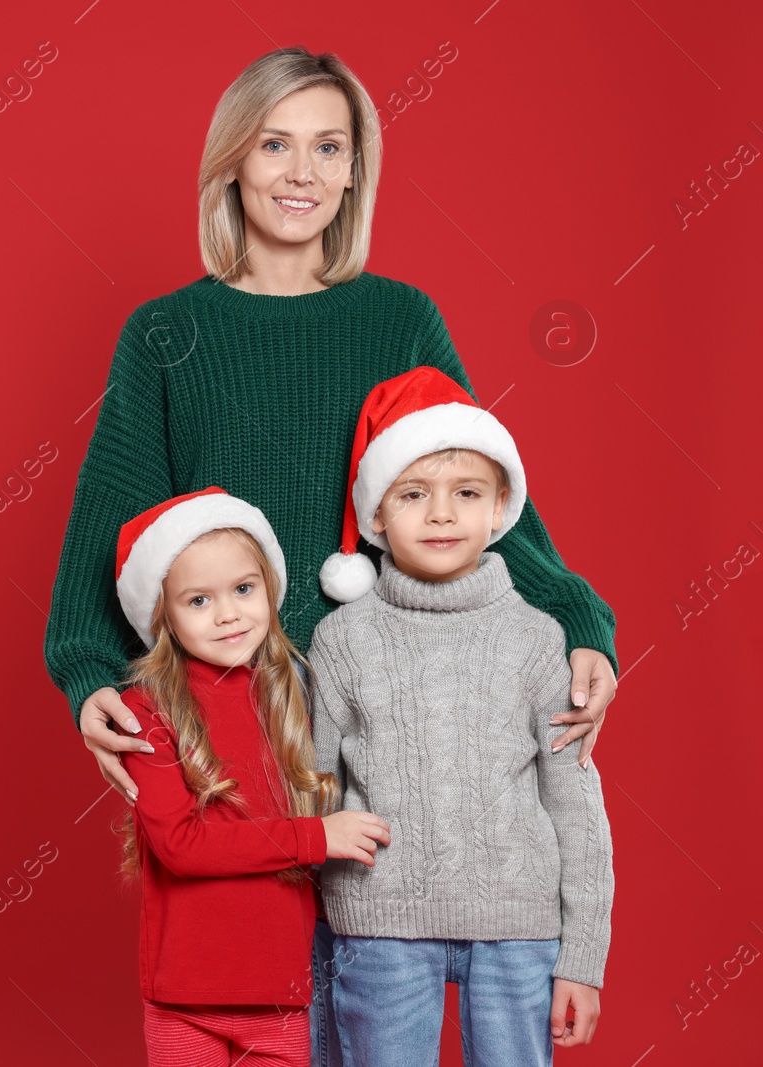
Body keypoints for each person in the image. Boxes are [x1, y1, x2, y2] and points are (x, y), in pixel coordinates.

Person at [41, 45, 619, 1061]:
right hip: (240, 703)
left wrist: (576, 614)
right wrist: (86, 668)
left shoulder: (397, 317)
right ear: (232, 161)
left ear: (355, 171)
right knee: (273, 988)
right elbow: (110, 516)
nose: (300, 171)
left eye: (327, 146)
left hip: (389, 686)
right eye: (275, 143)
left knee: (366, 976)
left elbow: (471, 483)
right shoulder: (168, 333)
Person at [308, 366, 615, 1063]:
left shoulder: (539, 638)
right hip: (377, 922)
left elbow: (576, 803)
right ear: (377, 514)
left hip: (518, 924)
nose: (441, 513)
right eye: (414, 494)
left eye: (466, 493)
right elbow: (312, 784)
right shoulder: (343, 639)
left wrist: (583, 957)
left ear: (500, 506)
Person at [111, 487, 391, 1066]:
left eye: (243, 589)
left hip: (282, 996)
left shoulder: (293, 696)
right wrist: (316, 837)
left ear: (268, 587)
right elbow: (181, 845)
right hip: (185, 996)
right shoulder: (145, 710)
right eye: (198, 600)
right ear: (163, 616)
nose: (229, 613)